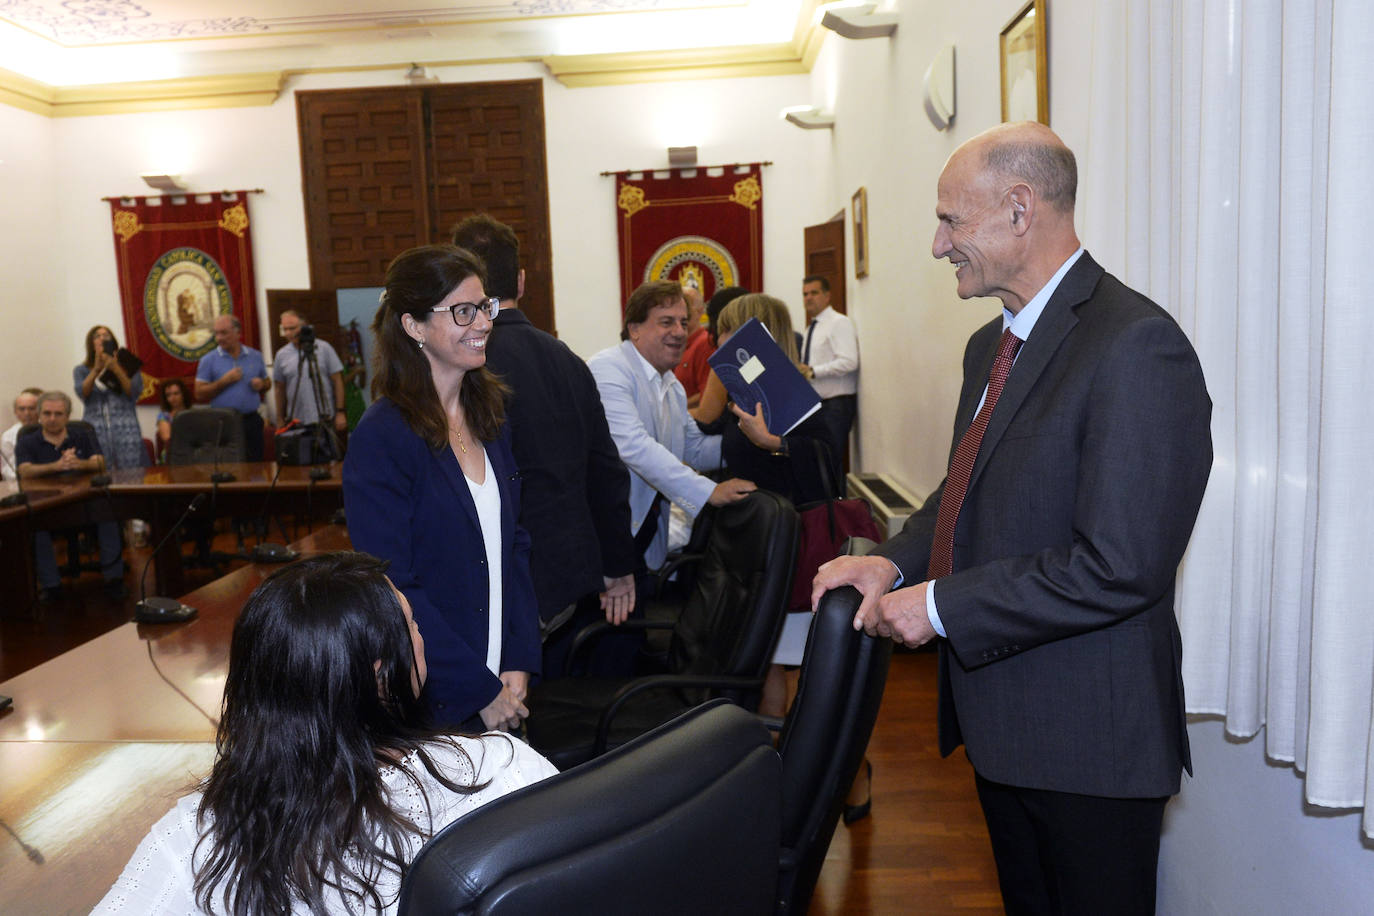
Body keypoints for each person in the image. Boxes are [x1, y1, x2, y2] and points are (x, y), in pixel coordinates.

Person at [812, 122, 1213, 915]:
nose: (936, 244)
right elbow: (964, 495)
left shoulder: (1136, 346)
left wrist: (936, 605)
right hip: (1004, 730)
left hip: (1089, 744)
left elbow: (1119, 566)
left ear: (1019, 210)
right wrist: (892, 561)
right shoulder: (986, 349)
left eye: (950, 220)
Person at [91, 551, 557, 916]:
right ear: (380, 673)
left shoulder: (198, 835)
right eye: (412, 625)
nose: (421, 636)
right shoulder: (500, 769)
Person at [344, 244, 541, 734]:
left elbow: (514, 544)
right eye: (462, 311)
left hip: (502, 681)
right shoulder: (383, 436)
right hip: (437, 699)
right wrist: (478, 689)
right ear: (413, 326)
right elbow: (394, 588)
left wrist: (519, 657)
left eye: (485, 306)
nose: (483, 323)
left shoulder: (490, 417)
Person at [451, 214, 637, 677]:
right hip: (565, 575)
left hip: (493, 579)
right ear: (521, 279)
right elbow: (606, 471)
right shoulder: (568, 359)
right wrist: (617, 565)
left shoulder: (462, 363)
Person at [587, 279, 757, 573]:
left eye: (683, 322)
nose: (679, 332)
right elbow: (634, 447)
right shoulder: (609, 368)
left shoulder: (672, 386)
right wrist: (708, 492)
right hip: (606, 537)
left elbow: (695, 448)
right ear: (634, 328)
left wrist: (754, 437)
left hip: (642, 532)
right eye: (666, 322)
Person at [715, 293, 833, 506]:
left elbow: (824, 456)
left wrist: (771, 442)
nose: (719, 339)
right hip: (751, 520)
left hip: (785, 526)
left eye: (727, 329)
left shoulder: (793, 394)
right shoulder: (743, 389)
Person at [15, 391, 125, 601]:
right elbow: (24, 471)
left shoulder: (81, 434)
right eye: (47, 413)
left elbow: (100, 462)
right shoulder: (28, 440)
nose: (52, 418)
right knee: (35, 529)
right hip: (46, 504)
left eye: (58, 413)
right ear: (39, 415)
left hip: (84, 502)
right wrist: (57, 466)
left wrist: (79, 464)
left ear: (67, 416)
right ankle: (51, 586)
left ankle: (114, 581)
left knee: (109, 517)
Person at [798, 276, 858, 486]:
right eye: (805, 294)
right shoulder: (810, 328)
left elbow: (850, 362)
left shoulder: (838, 322)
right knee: (819, 462)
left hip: (836, 405)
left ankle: (837, 513)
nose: (808, 298)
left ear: (827, 295)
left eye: (814, 293)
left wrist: (814, 371)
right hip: (818, 405)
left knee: (830, 462)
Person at [194, 314, 271, 461]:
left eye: (224, 333)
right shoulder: (208, 360)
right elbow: (199, 393)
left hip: (251, 421)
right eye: (216, 333)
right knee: (228, 468)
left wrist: (262, 384)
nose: (219, 338)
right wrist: (223, 381)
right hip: (223, 423)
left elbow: (268, 383)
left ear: (238, 333)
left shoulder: (255, 356)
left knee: (255, 468)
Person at [74, 325, 148, 469]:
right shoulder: (81, 370)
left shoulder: (128, 364)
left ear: (113, 341)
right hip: (96, 428)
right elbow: (82, 393)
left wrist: (115, 368)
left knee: (132, 471)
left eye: (106, 335)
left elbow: (134, 392)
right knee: (100, 470)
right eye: (97, 336)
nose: (102, 338)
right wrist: (96, 369)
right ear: (91, 343)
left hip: (126, 427)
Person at [273, 309, 348, 440]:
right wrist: (279, 418)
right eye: (285, 329)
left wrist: (340, 412)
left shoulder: (324, 348)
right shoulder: (281, 355)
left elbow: (338, 381)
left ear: (304, 327)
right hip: (296, 420)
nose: (288, 333)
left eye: (292, 328)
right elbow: (279, 388)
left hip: (325, 417)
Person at [679, 285, 748, 415]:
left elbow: (707, 415)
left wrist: (672, 413)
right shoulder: (682, 345)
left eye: (687, 306)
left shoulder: (709, 347)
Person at [1, 387, 42, 480]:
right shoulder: (8, 436)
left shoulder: (49, 429)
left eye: (31, 408)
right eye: (22, 409)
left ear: (40, 410)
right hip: (19, 482)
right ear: (15, 412)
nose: (27, 413)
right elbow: (7, 468)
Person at [154, 377, 191, 462]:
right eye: (168, 395)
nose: (172, 398)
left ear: (183, 394)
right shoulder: (164, 416)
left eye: (176, 393)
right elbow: (168, 439)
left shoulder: (194, 413)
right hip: (173, 454)